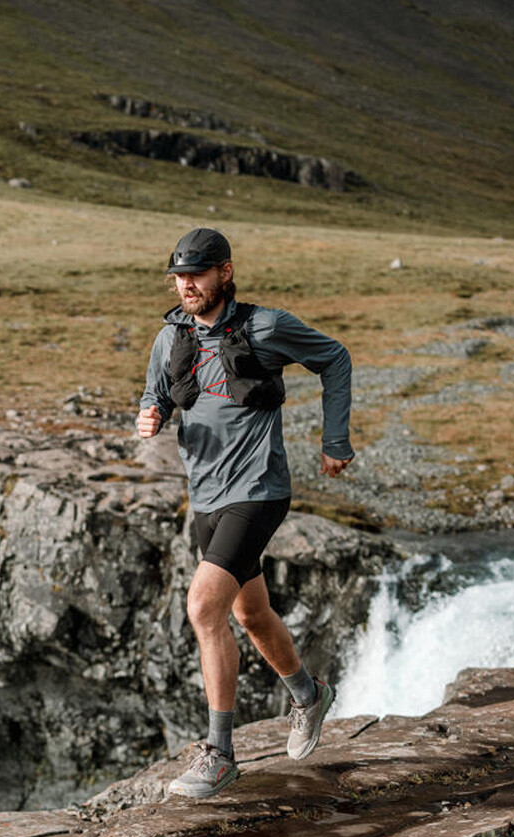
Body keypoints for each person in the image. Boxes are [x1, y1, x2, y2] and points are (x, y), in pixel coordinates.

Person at [136, 227, 354, 798]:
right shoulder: (170, 336)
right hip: (205, 496)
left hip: (258, 489)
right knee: (252, 615)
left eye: (198, 274)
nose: (187, 285)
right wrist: (150, 413)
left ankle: (220, 754)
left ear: (224, 273)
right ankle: (309, 695)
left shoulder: (266, 327)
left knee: (203, 605)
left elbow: (334, 357)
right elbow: (155, 391)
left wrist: (334, 440)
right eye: (179, 276)